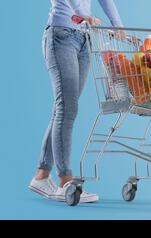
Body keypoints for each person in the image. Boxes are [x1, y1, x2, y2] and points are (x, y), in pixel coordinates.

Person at [28, 0, 125, 203]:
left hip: (84, 38)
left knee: (64, 109)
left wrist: (118, 25)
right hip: (61, 36)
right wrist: (85, 15)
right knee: (67, 109)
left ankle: (42, 175)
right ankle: (65, 182)